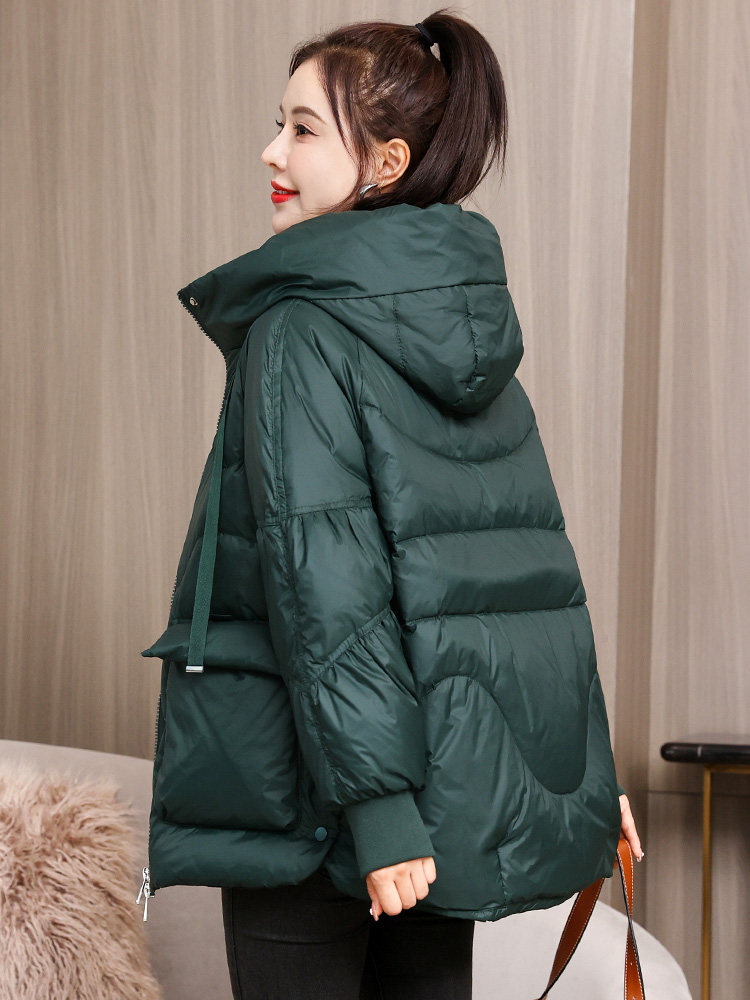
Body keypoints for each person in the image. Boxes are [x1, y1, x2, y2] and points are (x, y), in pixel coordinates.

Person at [138, 9, 643, 1000]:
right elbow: (523, 580)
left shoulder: (297, 329)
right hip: (442, 792)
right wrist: (588, 773)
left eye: (302, 129)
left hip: (321, 796)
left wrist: (377, 807)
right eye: (278, 125)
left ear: (385, 162)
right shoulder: (465, 321)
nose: (272, 152)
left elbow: (329, 589)